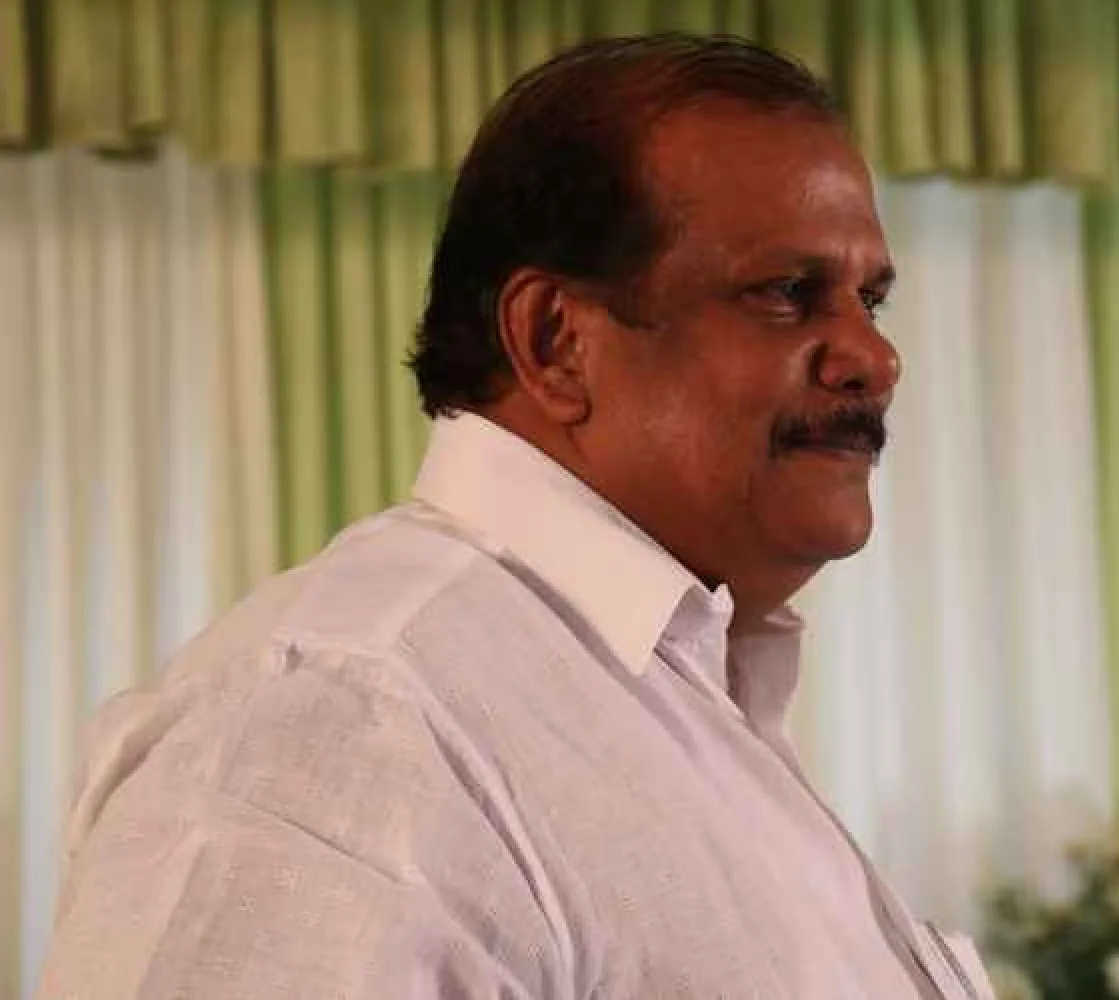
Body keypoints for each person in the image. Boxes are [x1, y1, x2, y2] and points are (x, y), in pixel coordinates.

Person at [36, 34, 995, 1000]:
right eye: (787, 294)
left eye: (870, 300)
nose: (874, 359)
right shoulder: (347, 716)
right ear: (555, 342)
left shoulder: (652, 693)